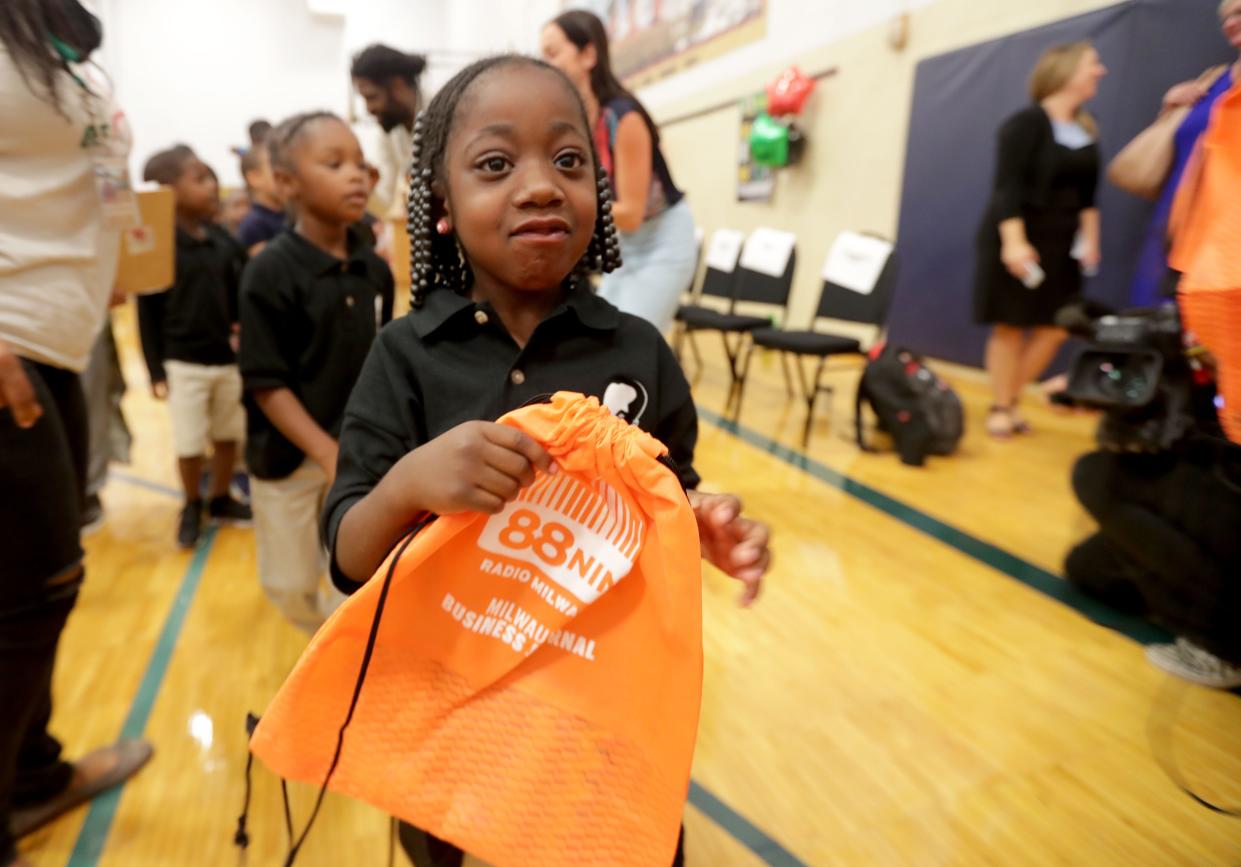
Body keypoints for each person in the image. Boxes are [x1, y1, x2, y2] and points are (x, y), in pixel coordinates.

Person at [321, 55, 771, 867]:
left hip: (602, 732)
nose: (539, 185)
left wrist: (703, 522)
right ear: (443, 205)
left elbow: (671, 491)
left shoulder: (637, 348)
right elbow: (350, 555)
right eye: (495, 164)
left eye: (568, 160)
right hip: (455, 738)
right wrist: (408, 482)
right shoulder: (405, 356)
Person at [0, 3, 152, 865]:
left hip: (55, 341)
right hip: (9, 340)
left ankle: (33, 772)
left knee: (34, 587)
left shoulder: (56, 35)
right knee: (33, 591)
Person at [238, 111, 394, 632]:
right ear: (286, 184)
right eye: (334, 163)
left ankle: (336, 678)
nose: (356, 175)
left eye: (360, 163)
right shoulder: (269, 271)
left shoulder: (372, 267)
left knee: (348, 585)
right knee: (290, 585)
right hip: (289, 457)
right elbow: (266, 383)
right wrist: (325, 451)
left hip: (357, 453)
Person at [973, 41, 1107, 438]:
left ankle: (1010, 397)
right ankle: (1002, 405)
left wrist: (1091, 242)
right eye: (1092, 64)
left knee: (1054, 328)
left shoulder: (1086, 131)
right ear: (1065, 71)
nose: (1100, 71)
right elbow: (1006, 189)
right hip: (1018, 234)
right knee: (1010, 326)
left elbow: (1089, 199)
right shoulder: (1025, 124)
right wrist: (1014, 243)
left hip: (1063, 244)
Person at [541, 11, 699, 337]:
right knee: (598, 338)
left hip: (662, 245)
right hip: (625, 249)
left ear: (588, 55)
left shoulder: (623, 117)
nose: (546, 65)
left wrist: (565, 205)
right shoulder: (577, 124)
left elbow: (629, 214)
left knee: (629, 342)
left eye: (553, 53)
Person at [136, 147, 252, 549]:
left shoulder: (222, 240)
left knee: (227, 436)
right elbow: (146, 311)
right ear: (168, 190)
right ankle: (190, 502)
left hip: (226, 358)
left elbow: (243, 286)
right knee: (189, 442)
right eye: (199, 179)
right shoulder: (158, 245)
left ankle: (219, 498)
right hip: (182, 362)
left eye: (211, 178)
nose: (212, 186)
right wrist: (155, 370)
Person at [1126, 0, 1239, 307]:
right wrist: (1170, 110)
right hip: (1181, 217)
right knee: (1164, 318)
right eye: (1226, 18)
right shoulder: (1213, 80)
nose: (1230, 23)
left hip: (1229, 226)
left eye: (1239, 13)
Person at [350, 44, 426, 218]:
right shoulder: (389, 133)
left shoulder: (445, 112)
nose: (369, 109)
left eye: (372, 97)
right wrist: (367, 186)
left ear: (397, 85)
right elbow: (387, 202)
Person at [236, 136, 286, 256]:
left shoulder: (290, 215)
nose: (285, 172)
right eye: (275, 166)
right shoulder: (254, 225)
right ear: (255, 178)